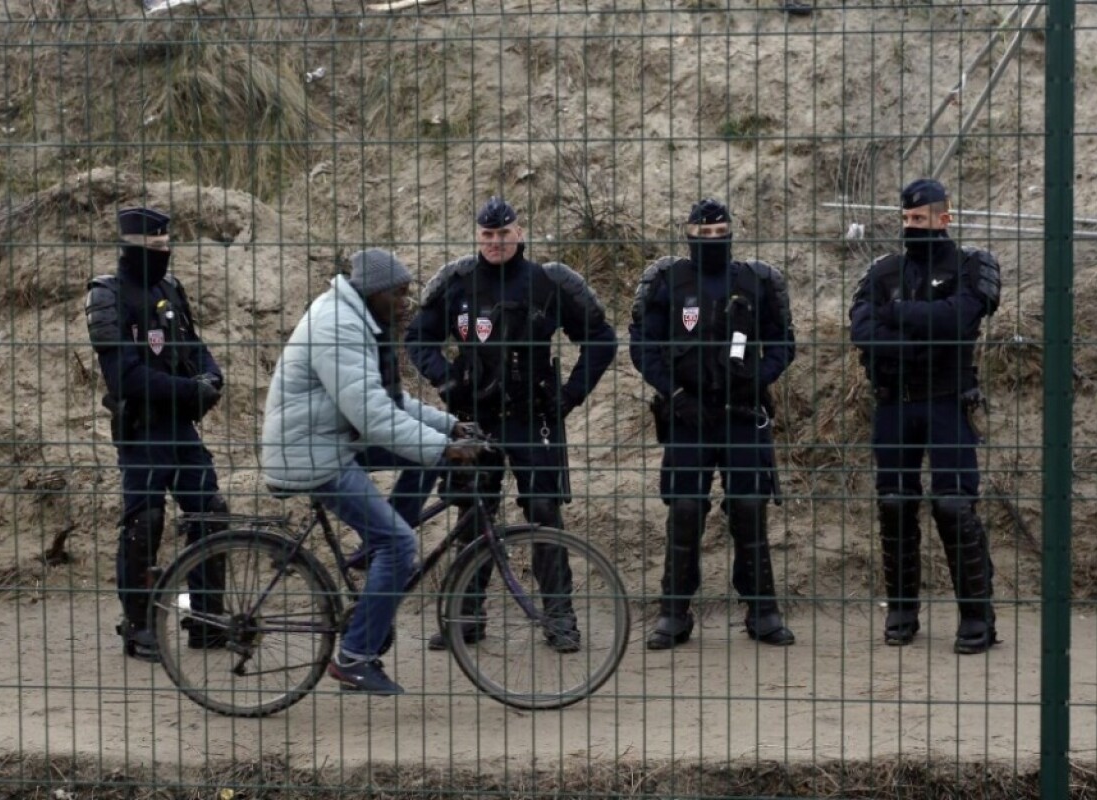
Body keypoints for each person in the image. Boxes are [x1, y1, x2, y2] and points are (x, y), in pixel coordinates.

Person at [261, 248, 480, 694]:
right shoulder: (339, 327)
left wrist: (449, 426)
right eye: (398, 294)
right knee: (400, 544)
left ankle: (372, 548)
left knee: (423, 461)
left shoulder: (361, 320)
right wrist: (445, 448)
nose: (404, 303)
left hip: (332, 438)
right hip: (310, 453)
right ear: (375, 292)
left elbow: (389, 403)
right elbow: (375, 417)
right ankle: (355, 657)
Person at [404, 196, 618, 653]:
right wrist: (447, 380)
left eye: (503, 234)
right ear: (478, 236)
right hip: (474, 421)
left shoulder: (546, 282)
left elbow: (600, 339)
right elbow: (417, 338)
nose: (496, 243)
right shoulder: (458, 284)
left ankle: (559, 617)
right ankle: (467, 614)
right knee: (471, 514)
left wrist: (569, 396)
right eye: (487, 235)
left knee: (544, 513)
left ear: (519, 233)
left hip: (533, 419)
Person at [628, 198, 797, 650]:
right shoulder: (667, 282)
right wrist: (675, 394)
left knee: (749, 508)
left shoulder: (756, 281)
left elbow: (783, 342)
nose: (710, 241)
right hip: (687, 417)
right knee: (684, 510)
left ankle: (762, 611)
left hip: (743, 415)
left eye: (718, 232)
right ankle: (673, 612)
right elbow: (643, 345)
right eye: (701, 234)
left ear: (731, 231)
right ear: (687, 233)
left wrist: (756, 380)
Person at [848, 178, 1002, 655]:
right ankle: (902, 611)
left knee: (954, 506)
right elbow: (861, 328)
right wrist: (919, 334)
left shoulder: (972, 264)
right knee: (894, 502)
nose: (913, 225)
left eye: (922, 218)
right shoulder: (884, 269)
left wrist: (897, 313)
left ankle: (977, 617)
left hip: (946, 400)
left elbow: (960, 317)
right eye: (908, 219)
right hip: (895, 402)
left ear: (944, 218)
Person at [84, 207, 229, 662]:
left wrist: (211, 378)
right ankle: (139, 623)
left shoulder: (170, 290)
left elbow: (193, 348)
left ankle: (206, 619)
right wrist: (190, 390)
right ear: (133, 247)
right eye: (156, 247)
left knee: (210, 513)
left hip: (180, 429)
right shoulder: (106, 296)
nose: (164, 254)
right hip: (142, 432)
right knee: (144, 523)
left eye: (167, 246)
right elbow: (124, 375)